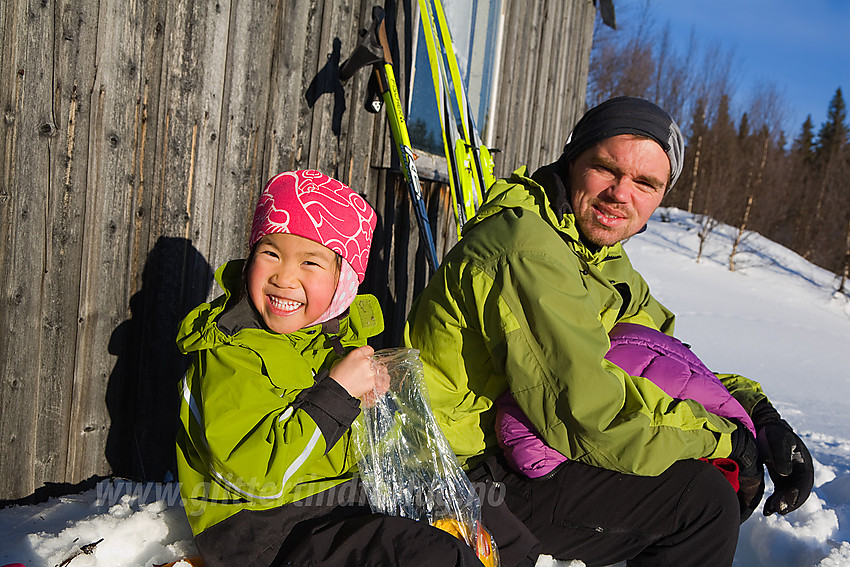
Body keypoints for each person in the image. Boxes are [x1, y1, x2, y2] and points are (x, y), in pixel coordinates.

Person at [404, 97, 814, 566]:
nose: (622, 194)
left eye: (645, 183)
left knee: (692, 470)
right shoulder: (526, 250)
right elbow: (586, 414)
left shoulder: (603, 261)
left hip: (521, 450)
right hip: (459, 478)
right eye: (606, 168)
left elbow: (667, 364)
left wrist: (757, 415)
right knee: (698, 503)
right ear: (572, 160)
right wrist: (724, 439)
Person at [176, 170, 485, 567]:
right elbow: (256, 473)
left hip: (332, 503)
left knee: (477, 512)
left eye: (310, 262)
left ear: (343, 285)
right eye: (270, 252)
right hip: (259, 533)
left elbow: (341, 452)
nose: (284, 277)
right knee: (423, 553)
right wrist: (337, 395)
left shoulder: (328, 343)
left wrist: (373, 408)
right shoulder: (231, 352)